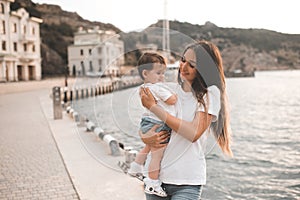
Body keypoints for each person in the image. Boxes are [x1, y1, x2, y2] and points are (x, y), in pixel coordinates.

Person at [139, 40, 233, 199]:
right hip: (156, 179)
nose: (183, 67)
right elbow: (147, 123)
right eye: (183, 60)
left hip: (187, 181)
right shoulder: (167, 89)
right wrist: (146, 137)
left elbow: (193, 133)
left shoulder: (209, 95)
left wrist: (154, 107)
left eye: (192, 64)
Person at [128, 52, 177, 197]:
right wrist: (175, 95)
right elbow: (171, 100)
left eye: (163, 73)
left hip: (147, 122)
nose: (162, 77)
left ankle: (135, 166)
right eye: (158, 73)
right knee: (157, 155)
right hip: (158, 122)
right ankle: (153, 183)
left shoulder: (143, 88)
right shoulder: (157, 87)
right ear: (145, 73)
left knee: (148, 146)